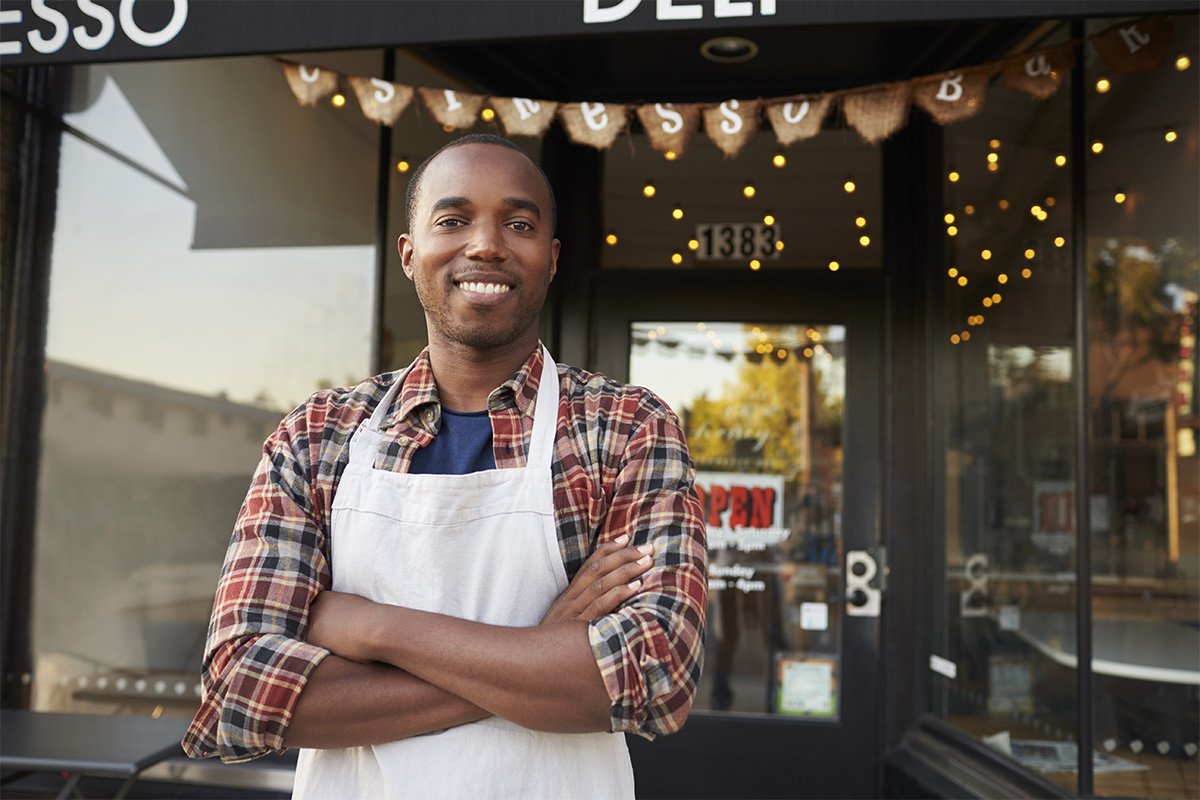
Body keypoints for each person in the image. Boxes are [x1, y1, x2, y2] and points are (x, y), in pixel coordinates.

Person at [182, 133, 708, 798]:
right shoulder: (318, 437)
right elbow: (240, 695)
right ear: (409, 254)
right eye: (453, 220)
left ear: (550, 260)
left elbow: (652, 681)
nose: (486, 244)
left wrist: (374, 627)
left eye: (518, 224)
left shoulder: (625, 428)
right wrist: (541, 645)